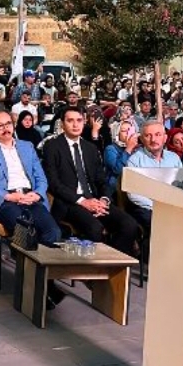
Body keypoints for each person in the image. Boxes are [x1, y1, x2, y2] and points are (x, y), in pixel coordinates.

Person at [42, 108, 139, 256]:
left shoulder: (90, 148)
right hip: (70, 202)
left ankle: (113, 267)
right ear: (62, 124)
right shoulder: (52, 146)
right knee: (95, 228)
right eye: (70, 121)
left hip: (96, 200)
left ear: (84, 122)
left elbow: (101, 180)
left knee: (130, 225)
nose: (75, 125)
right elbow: (54, 184)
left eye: (79, 120)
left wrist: (104, 199)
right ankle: (93, 272)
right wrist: (83, 202)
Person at [0, 109, 63, 249]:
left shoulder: (27, 146)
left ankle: (39, 270)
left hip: (30, 198)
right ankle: (25, 270)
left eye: (8, 123)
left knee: (53, 232)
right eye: (0, 126)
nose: (5, 128)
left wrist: (37, 193)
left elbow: (41, 178)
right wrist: (8, 196)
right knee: (26, 231)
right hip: (4, 201)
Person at [123, 120, 183, 231]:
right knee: (159, 223)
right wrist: (158, 206)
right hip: (147, 207)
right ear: (141, 139)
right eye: (148, 136)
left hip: (172, 204)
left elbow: (181, 185)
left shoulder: (174, 158)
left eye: (158, 135)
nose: (153, 139)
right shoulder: (134, 160)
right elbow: (133, 193)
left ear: (165, 138)